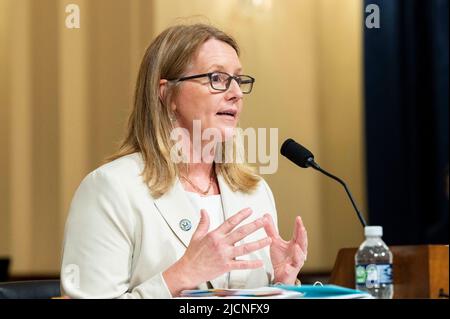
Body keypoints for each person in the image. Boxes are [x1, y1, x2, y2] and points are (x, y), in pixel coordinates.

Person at [60, 23, 308, 298]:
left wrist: (282, 284)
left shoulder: (254, 191)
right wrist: (181, 275)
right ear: (167, 93)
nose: (236, 92)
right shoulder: (110, 188)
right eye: (217, 78)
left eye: (239, 79)